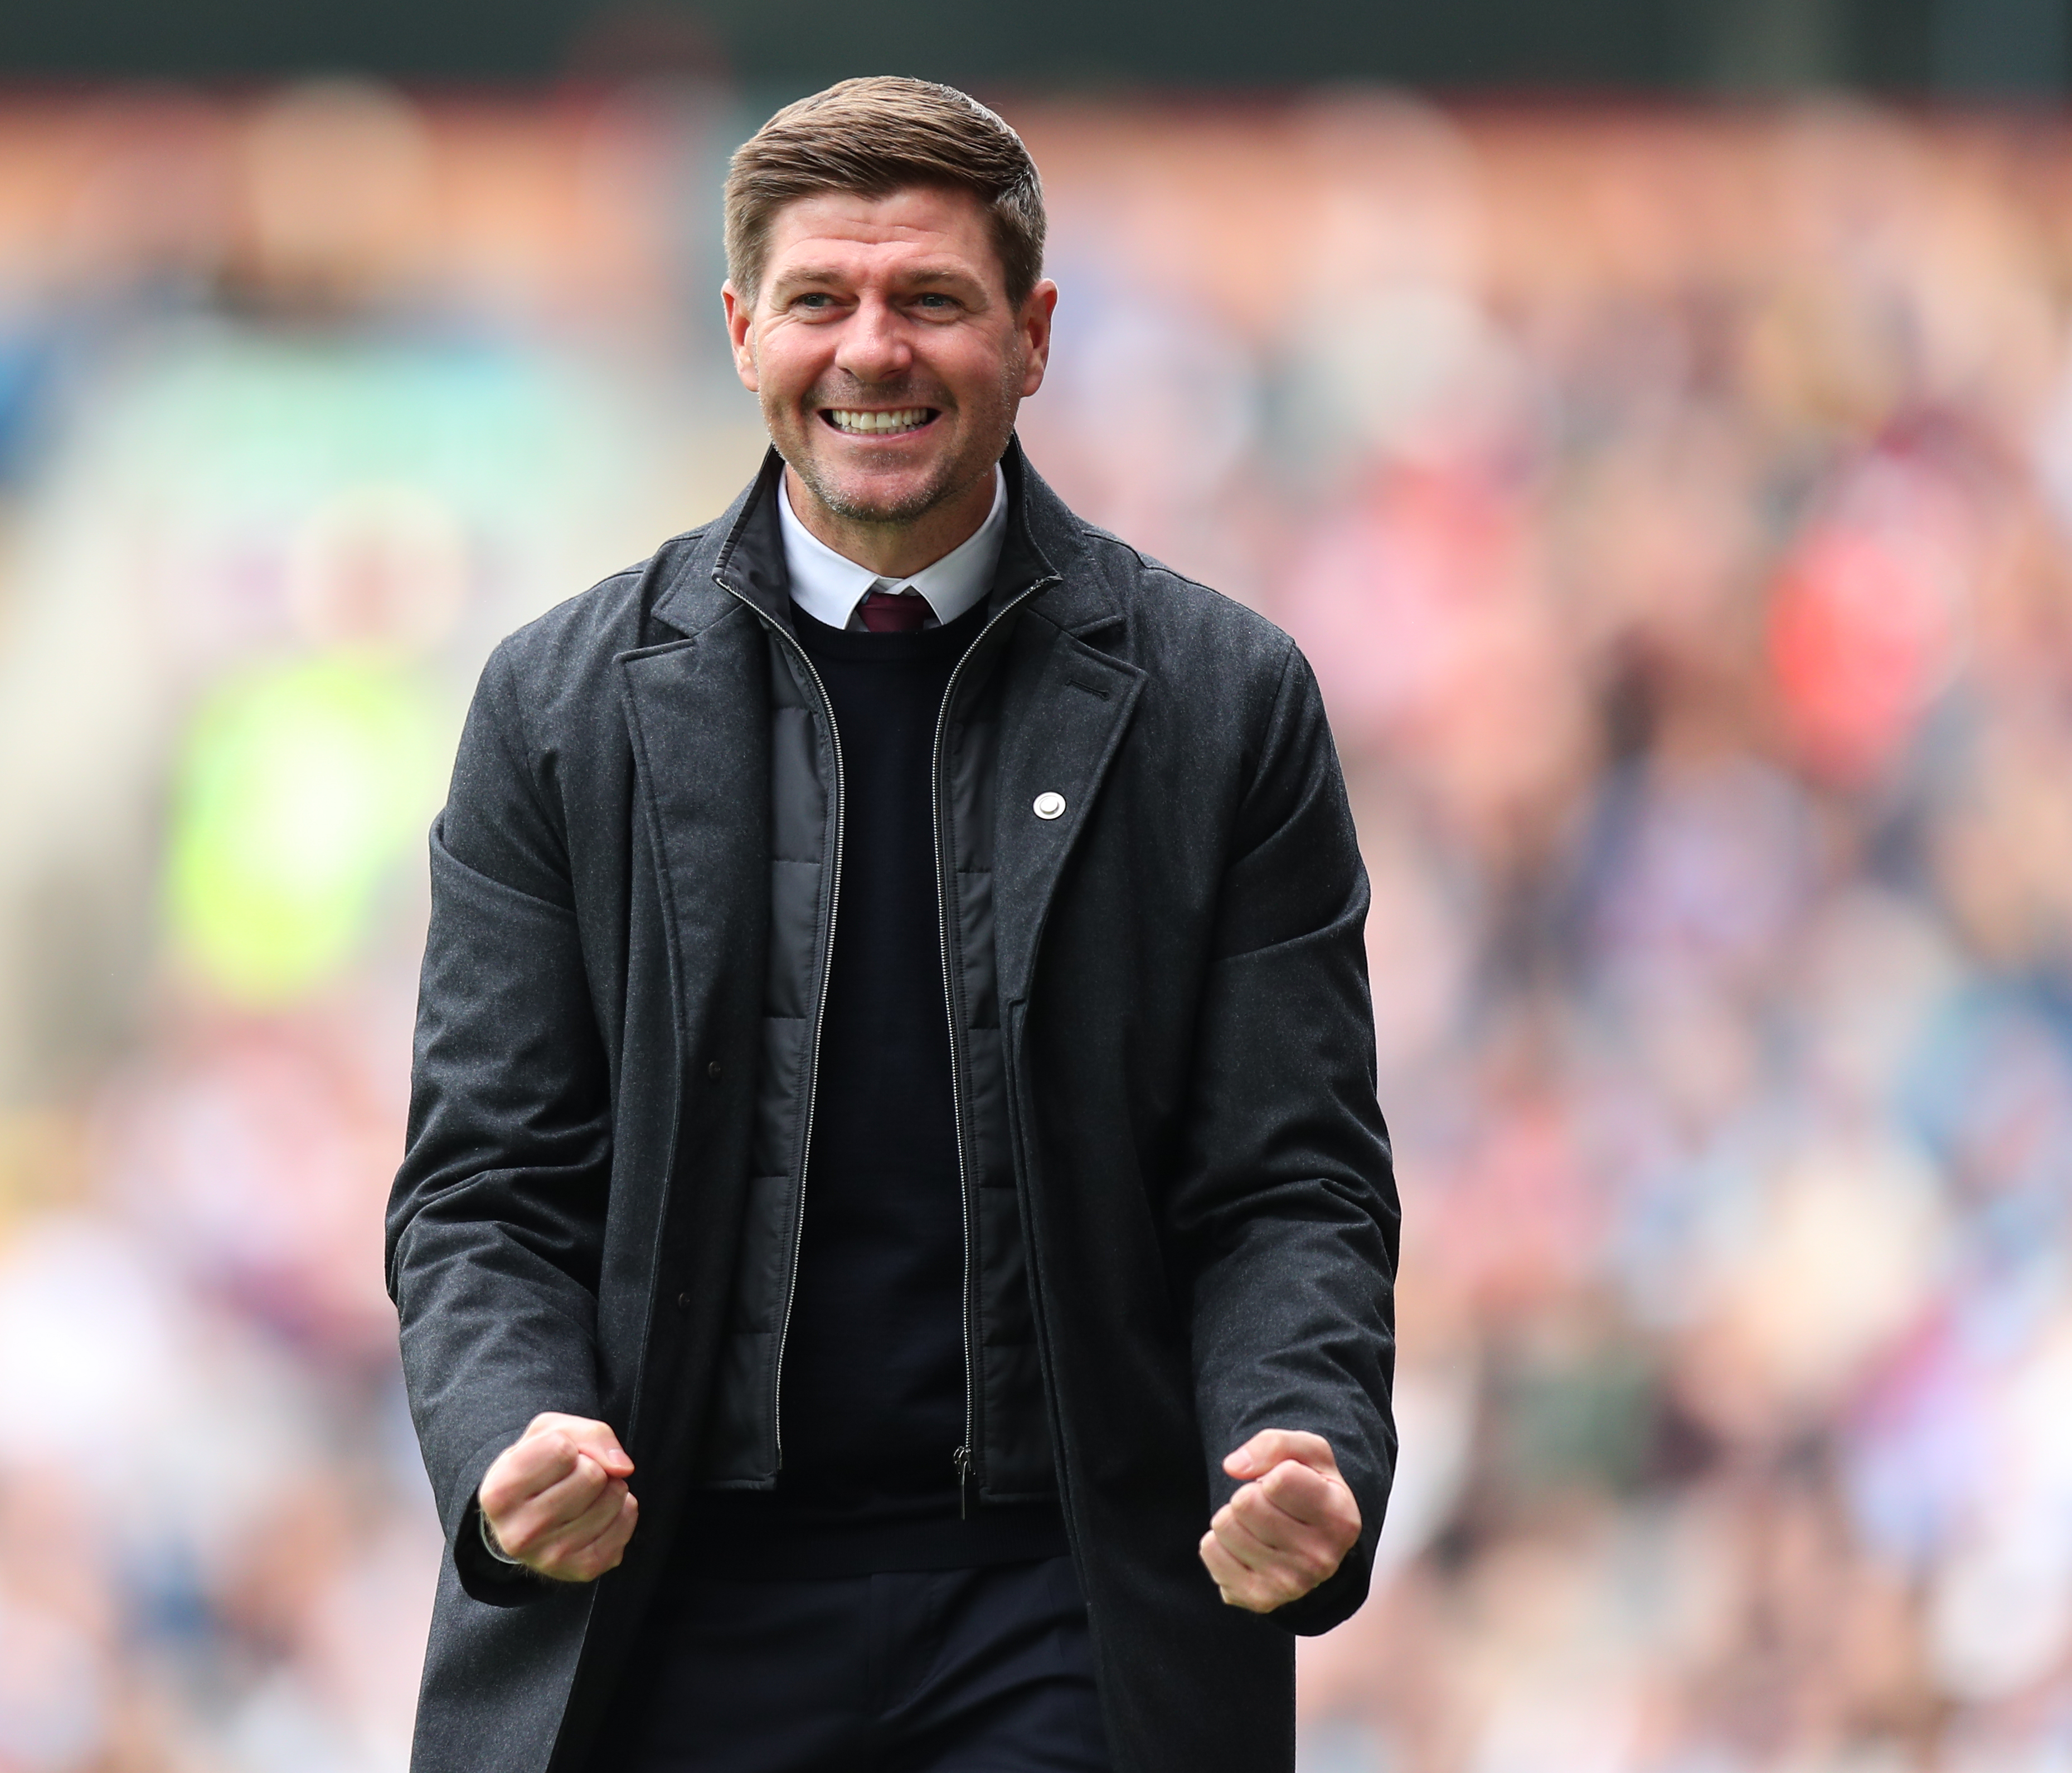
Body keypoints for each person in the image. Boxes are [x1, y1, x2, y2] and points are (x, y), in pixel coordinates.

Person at [388, 76, 1399, 1773]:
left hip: (1067, 1605)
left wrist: (1298, 1431)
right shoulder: (555, 710)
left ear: (1033, 333)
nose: (873, 350)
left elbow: (1289, 1178)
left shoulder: (1222, 703)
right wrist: (510, 1436)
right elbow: (482, 1184)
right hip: (665, 1597)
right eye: (821, 302)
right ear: (739, 331)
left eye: (930, 298)